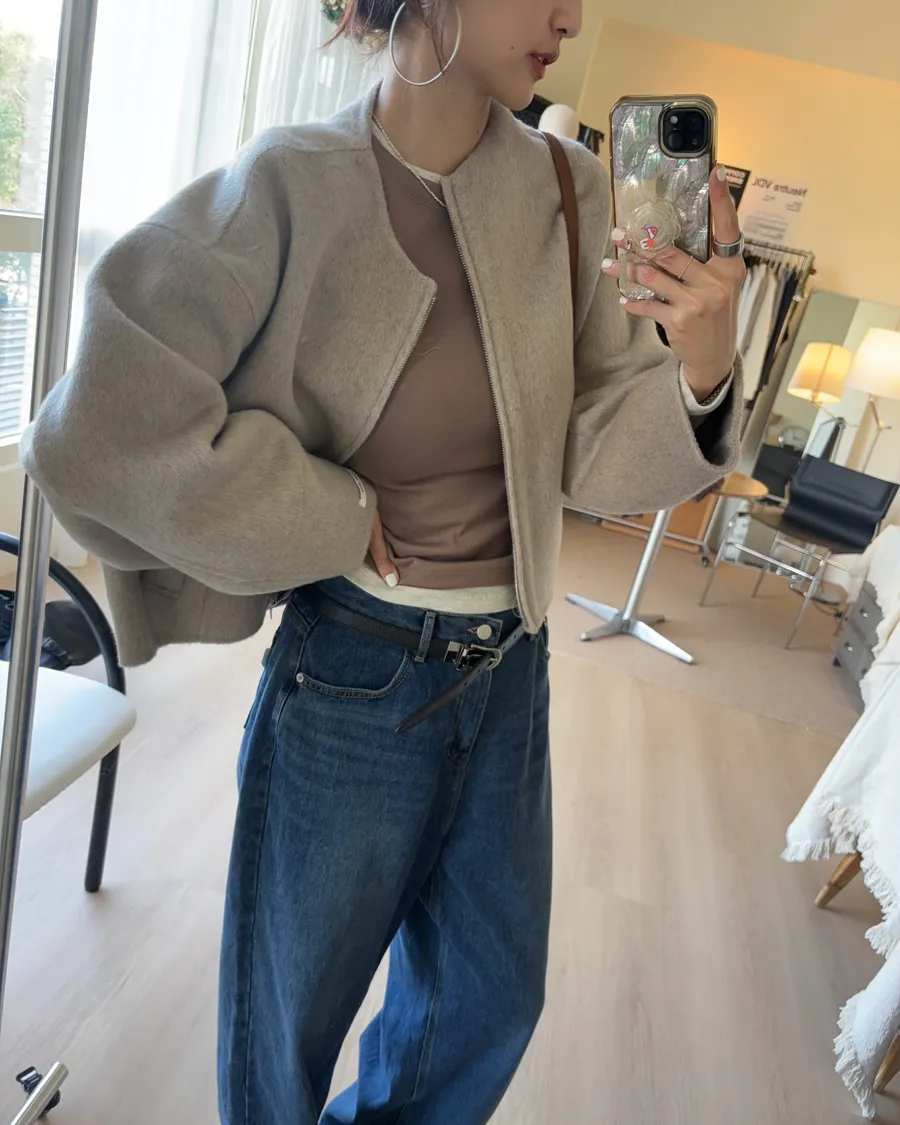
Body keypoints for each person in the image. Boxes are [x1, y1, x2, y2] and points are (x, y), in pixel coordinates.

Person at [22, 1, 746, 1121]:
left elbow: (592, 449)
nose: (572, 16)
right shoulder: (290, 183)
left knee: (487, 1006)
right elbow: (98, 431)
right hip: (353, 674)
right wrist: (324, 512)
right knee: (289, 1025)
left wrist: (701, 368)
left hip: (512, 668)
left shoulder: (568, 188)